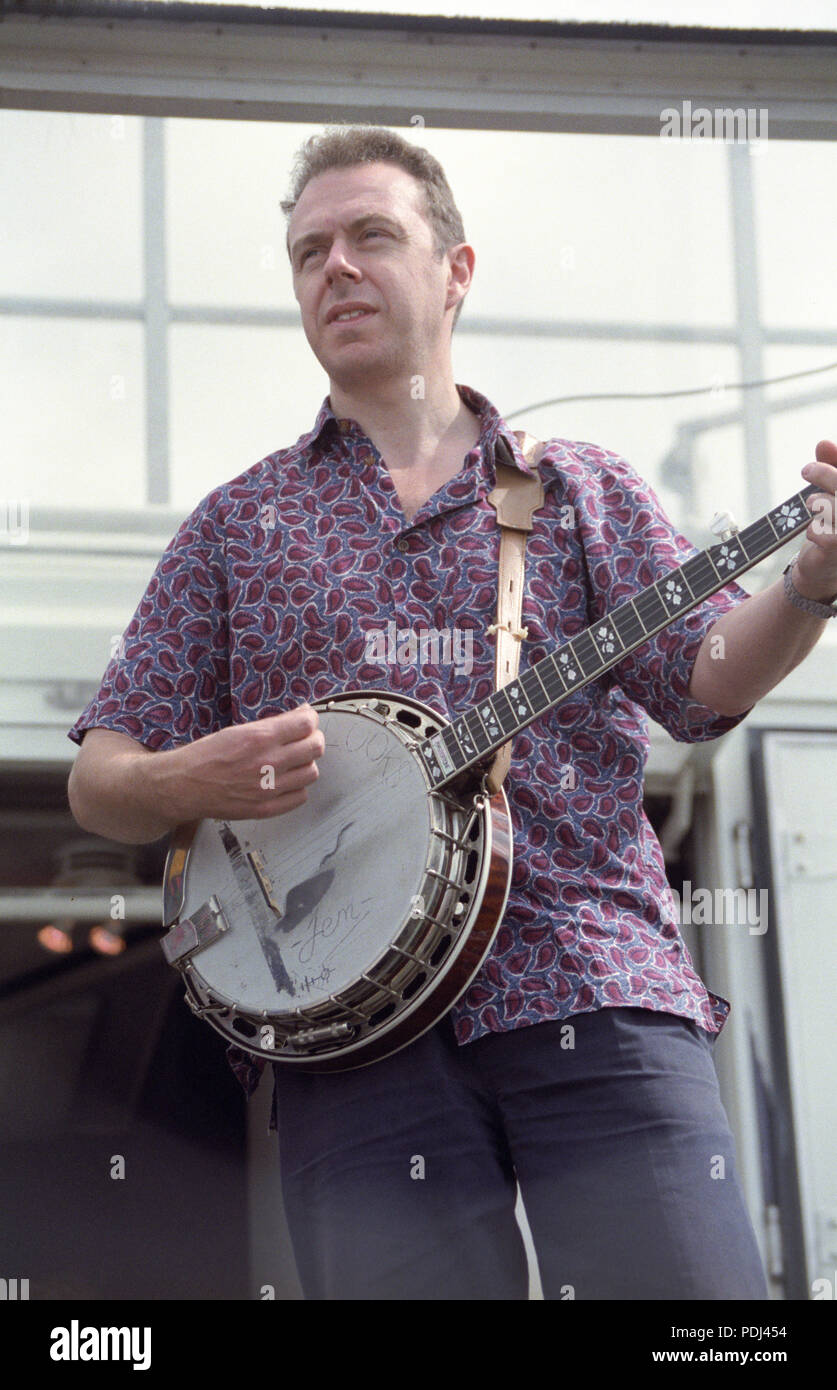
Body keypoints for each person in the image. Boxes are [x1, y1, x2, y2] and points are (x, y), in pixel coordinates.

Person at [67, 126, 837, 1301]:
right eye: (309, 250)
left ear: (455, 272)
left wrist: (813, 580)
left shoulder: (574, 487)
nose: (337, 267)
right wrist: (186, 780)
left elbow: (706, 675)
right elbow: (101, 773)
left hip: (591, 979)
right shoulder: (235, 527)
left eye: (372, 235)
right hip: (349, 1034)